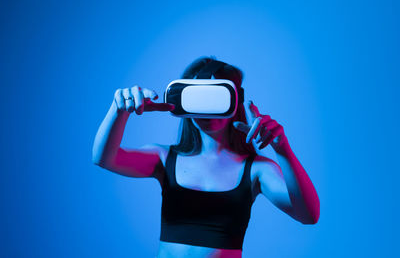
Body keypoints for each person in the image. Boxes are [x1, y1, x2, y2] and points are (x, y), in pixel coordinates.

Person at [92, 56, 320, 258]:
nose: (207, 110)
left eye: (215, 98)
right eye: (198, 99)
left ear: (234, 100)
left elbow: (309, 215)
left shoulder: (256, 169)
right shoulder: (164, 157)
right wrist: (118, 109)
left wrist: (283, 150)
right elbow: (104, 158)